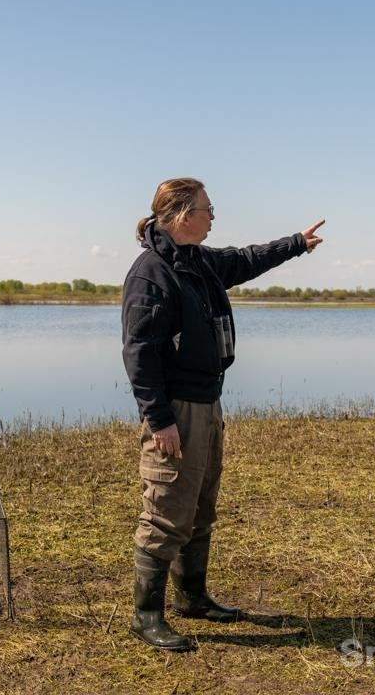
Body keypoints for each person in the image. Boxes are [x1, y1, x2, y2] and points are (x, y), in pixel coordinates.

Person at [121, 177, 324, 651]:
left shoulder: (199, 262)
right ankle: (145, 616)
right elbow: (140, 353)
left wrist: (295, 244)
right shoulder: (151, 273)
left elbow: (247, 259)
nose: (213, 216)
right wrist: (160, 419)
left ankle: (193, 599)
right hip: (178, 409)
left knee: (201, 503)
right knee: (167, 507)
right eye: (208, 209)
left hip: (208, 403)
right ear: (179, 215)